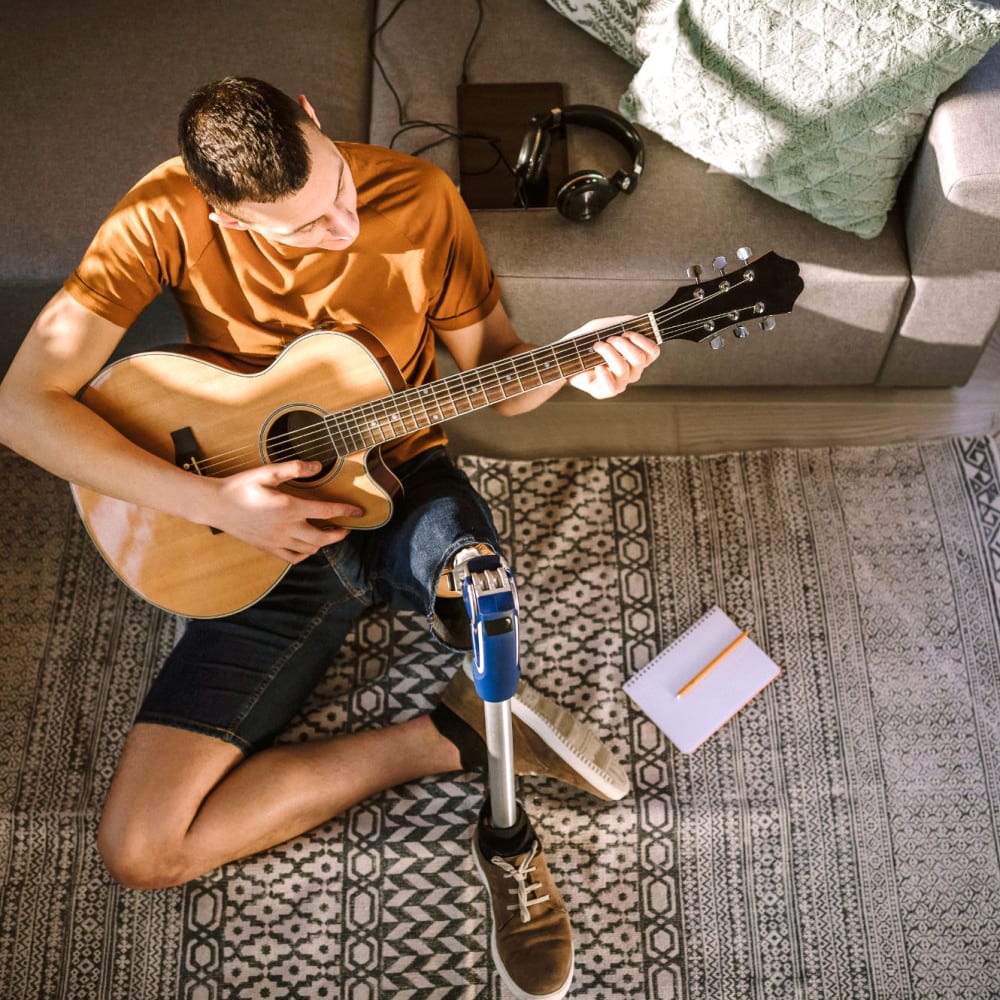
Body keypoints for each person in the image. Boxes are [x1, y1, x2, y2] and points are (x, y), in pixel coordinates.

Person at [0, 77, 658, 999]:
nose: (341, 227)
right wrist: (222, 506)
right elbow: (22, 408)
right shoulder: (160, 216)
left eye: (337, 189)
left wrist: (576, 360)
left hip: (402, 480)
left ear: (312, 117)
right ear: (222, 213)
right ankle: (443, 737)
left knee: (485, 600)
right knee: (142, 849)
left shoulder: (421, 200)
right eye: (303, 226)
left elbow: (502, 376)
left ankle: (504, 827)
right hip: (248, 537)